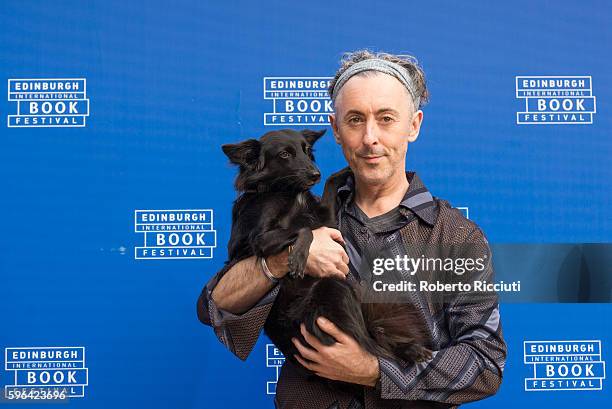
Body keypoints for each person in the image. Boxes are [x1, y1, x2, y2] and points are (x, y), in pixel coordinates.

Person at [197, 49, 507, 409]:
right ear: (337, 130)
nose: (370, 137)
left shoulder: (455, 237)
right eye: (356, 120)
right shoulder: (297, 212)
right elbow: (215, 308)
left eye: (386, 118)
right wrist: (283, 259)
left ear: (414, 125)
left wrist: (373, 371)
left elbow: (485, 365)